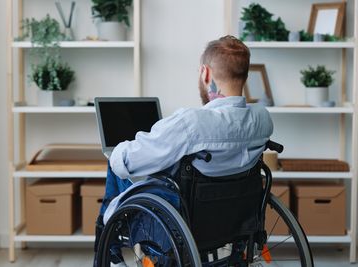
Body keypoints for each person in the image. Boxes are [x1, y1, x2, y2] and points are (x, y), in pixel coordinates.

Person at [94, 35, 273, 266]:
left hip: (185, 221)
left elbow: (128, 160)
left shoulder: (191, 123)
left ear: (205, 73)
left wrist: (119, 152)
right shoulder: (262, 119)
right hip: (235, 220)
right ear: (245, 75)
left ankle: (109, 249)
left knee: (118, 159)